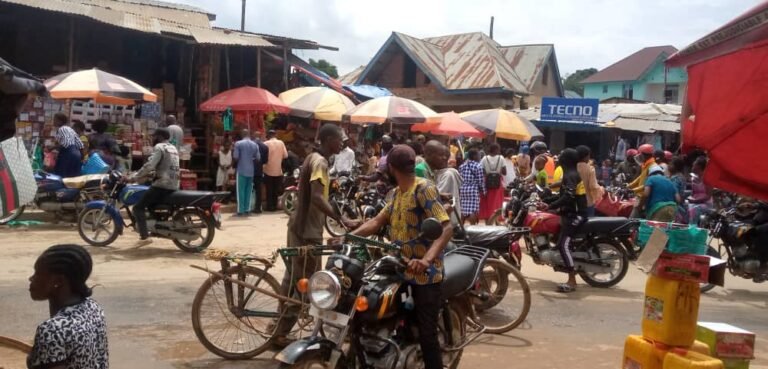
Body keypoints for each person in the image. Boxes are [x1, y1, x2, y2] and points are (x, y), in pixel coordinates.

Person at [351, 144, 452, 369]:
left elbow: (446, 228)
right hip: (398, 268)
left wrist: (426, 260)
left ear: (392, 169)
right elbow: (377, 221)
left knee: (427, 334)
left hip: (425, 274)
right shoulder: (396, 194)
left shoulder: (423, 188)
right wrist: (349, 237)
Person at [273, 124, 358, 346]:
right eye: (339, 139)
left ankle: (276, 325)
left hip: (300, 226)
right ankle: (280, 333)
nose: (342, 143)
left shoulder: (313, 158)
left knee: (291, 278)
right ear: (328, 139)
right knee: (305, 284)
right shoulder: (319, 162)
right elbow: (318, 198)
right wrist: (341, 220)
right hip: (307, 230)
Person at [27, 244, 108, 369]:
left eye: (37, 273)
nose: (31, 278)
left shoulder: (52, 330)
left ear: (58, 282)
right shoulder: (93, 308)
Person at [544, 148, 587, 293]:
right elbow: (563, 194)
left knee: (563, 245)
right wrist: (546, 200)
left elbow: (568, 197)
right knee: (558, 242)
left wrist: (551, 205)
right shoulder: (570, 174)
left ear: (566, 160)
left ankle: (572, 281)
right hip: (569, 213)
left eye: (561, 157)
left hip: (576, 215)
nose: (559, 159)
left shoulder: (571, 175)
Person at [130, 128, 180, 248]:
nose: (153, 138)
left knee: (137, 208)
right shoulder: (173, 148)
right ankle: (153, 227)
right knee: (150, 203)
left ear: (160, 137)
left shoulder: (159, 147)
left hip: (162, 185)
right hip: (173, 184)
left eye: (154, 136)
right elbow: (165, 167)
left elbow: (150, 165)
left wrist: (134, 177)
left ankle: (144, 237)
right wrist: (151, 174)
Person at [232, 129, 260, 216]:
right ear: (249, 134)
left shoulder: (238, 144)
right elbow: (258, 158)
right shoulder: (255, 145)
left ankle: (241, 210)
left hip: (241, 170)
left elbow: (236, 157)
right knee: (248, 190)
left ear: (242, 134)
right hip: (251, 171)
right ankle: (247, 209)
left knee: (241, 190)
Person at [479, 143, 506, 221]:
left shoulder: (484, 158)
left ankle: (487, 218)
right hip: (498, 183)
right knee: (497, 201)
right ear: (496, 149)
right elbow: (504, 172)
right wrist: (497, 170)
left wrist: (488, 172)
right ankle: (496, 218)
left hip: (487, 181)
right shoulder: (501, 158)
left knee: (487, 201)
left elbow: (481, 170)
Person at [628, 144, 657, 218]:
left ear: (644, 155)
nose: (638, 157)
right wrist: (629, 186)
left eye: (640, 155)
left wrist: (633, 190)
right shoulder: (645, 165)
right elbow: (640, 178)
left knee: (633, 219)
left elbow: (648, 184)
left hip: (644, 196)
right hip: (640, 195)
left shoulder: (653, 167)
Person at [263, 130, 288, 212]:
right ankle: (274, 205)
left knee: (269, 189)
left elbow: (263, 157)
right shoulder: (281, 143)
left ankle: (269, 206)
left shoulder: (265, 143)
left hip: (268, 170)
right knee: (275, 189)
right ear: (275, 135)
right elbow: (285, 155)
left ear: (268, 135)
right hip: (278, 170)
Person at [52, 113, 84, 178]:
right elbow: (80, 145)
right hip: (77, 155)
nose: (53, 122)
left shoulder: (61, 129)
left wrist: (51, 148)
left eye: (54, 120)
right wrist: (81, 157)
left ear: (60, 121)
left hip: (68, 155)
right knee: (73, 178)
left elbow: (65, 143)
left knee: (63, 177)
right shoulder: (71, 130)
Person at [576, 145, 604, 217]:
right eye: (589, 155)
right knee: (588, 226)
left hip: (573, 203)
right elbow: (593, 186)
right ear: (586, 156)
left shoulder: (571, 167)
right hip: (587, 203)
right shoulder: (590, 169)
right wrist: (602, 190)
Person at [459, 148, 485, 225]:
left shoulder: (462, 166)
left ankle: (461, 227)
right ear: (474, 156)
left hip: (463, 189)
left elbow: (459, 178)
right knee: (472, 210)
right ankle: (473, 227)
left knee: (463, 209)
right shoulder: (478, 166)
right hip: (473, 190)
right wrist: (484, 191)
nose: (480, 157)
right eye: (478, 155)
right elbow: (481, 181)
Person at [687, 157, 713, 224]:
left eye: (694, 164)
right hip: (694, 202)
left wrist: (695, 200)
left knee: (694, 209)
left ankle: (692, 230)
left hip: (705, 204)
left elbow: (708, 196)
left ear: (699, 166)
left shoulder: (707, 179)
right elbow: (693, 193)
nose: (693, 165)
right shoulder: (693, 178)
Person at [252, 133, 269, 214]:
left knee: (249, 189)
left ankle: (248, 207)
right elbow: (265, 161)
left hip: (249, 170)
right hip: (259, 170)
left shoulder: (251, 144)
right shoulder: (265, 147)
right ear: (261, 137)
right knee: (258, 190)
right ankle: (257, 208)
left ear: (254, 136)